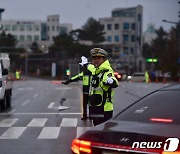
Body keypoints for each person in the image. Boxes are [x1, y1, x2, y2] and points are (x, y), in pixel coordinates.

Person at [83, 48, 119, 126]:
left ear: (103, 60)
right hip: (95, 106)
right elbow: (90, 67)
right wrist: (86, 64)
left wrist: (111, 81)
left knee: (104, 132)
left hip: (104, 108)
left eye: (99, 58)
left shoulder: (107, 71)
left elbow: (114, 81)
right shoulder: (95, 70)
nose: (96, 60)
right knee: (96, 129)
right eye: (94, 58)